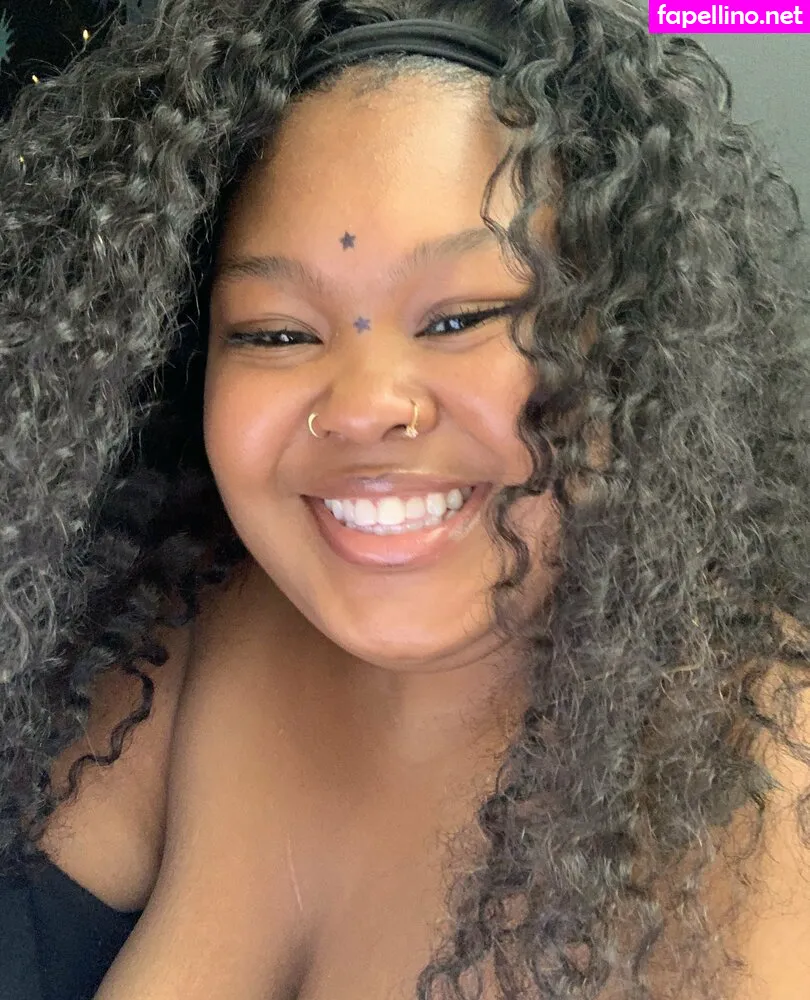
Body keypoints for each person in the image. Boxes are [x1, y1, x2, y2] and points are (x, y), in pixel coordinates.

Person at [0, 0, 808, 997]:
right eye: (276, 332)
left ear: (638, 343)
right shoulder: (195, 626)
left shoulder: (767, 806)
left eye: (461, 317)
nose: (362, 408)